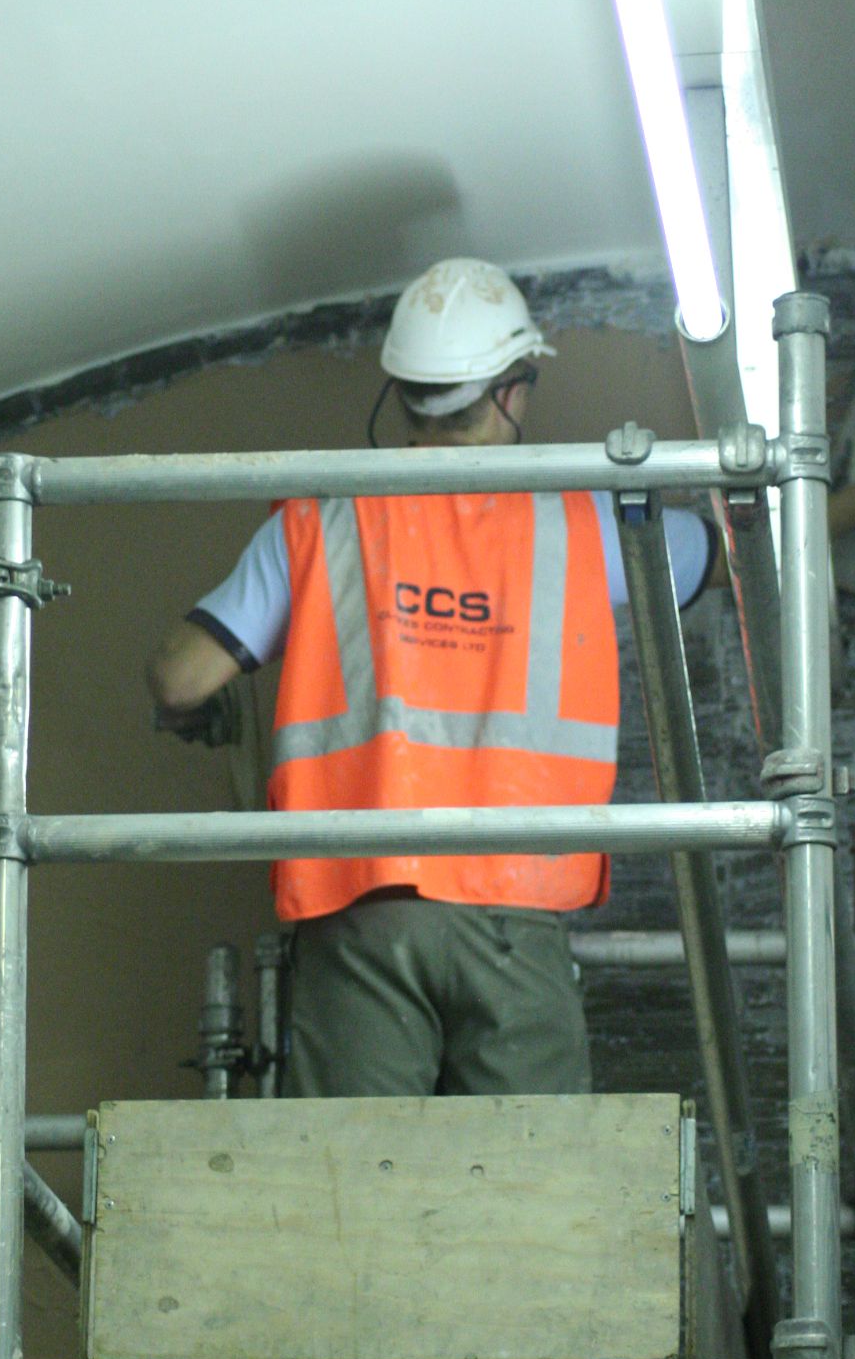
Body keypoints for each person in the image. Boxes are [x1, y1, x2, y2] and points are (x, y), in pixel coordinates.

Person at [146, 259, 717, 1099]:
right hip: (515, 913)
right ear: (511, 390)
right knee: (530, 1195)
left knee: (357, 1198)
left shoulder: (324, 517)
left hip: (361, 908)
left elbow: (180, 679)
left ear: (402, 395)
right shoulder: (584, 519)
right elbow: (728, 553)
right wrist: (848, 499)